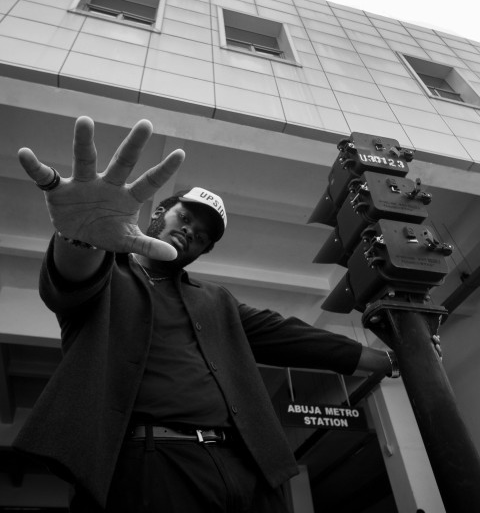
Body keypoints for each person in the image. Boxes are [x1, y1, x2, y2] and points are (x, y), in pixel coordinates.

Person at [14, 117, 397, 513]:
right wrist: (80, 237)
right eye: (185, 218)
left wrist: (387, 360)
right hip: (148, 461)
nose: (190, 233)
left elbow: (293, 338)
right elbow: (67, 281)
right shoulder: (107, 273)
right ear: (159, 212)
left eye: (201, 237)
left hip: (243, 468)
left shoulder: (216, 301)